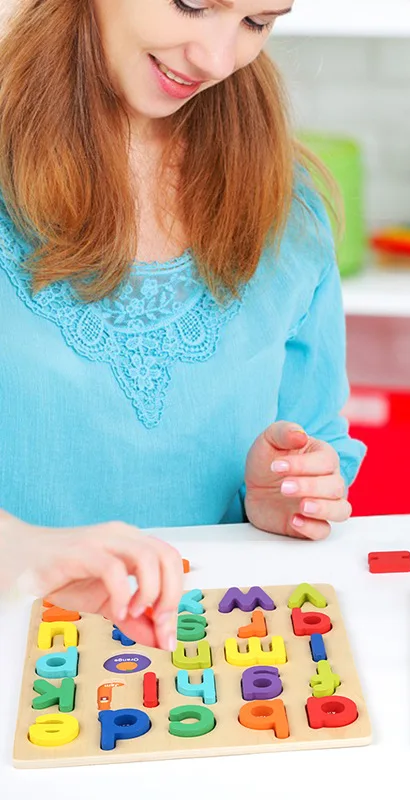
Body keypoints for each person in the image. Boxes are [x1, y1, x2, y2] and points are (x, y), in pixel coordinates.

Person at [0, 0, 364, 648]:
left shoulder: (289, 206)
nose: (218, 59)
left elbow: (316, 438)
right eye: (193, 3)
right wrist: (22, 551)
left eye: (258, 22)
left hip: (214, 668)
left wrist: (282, 496)